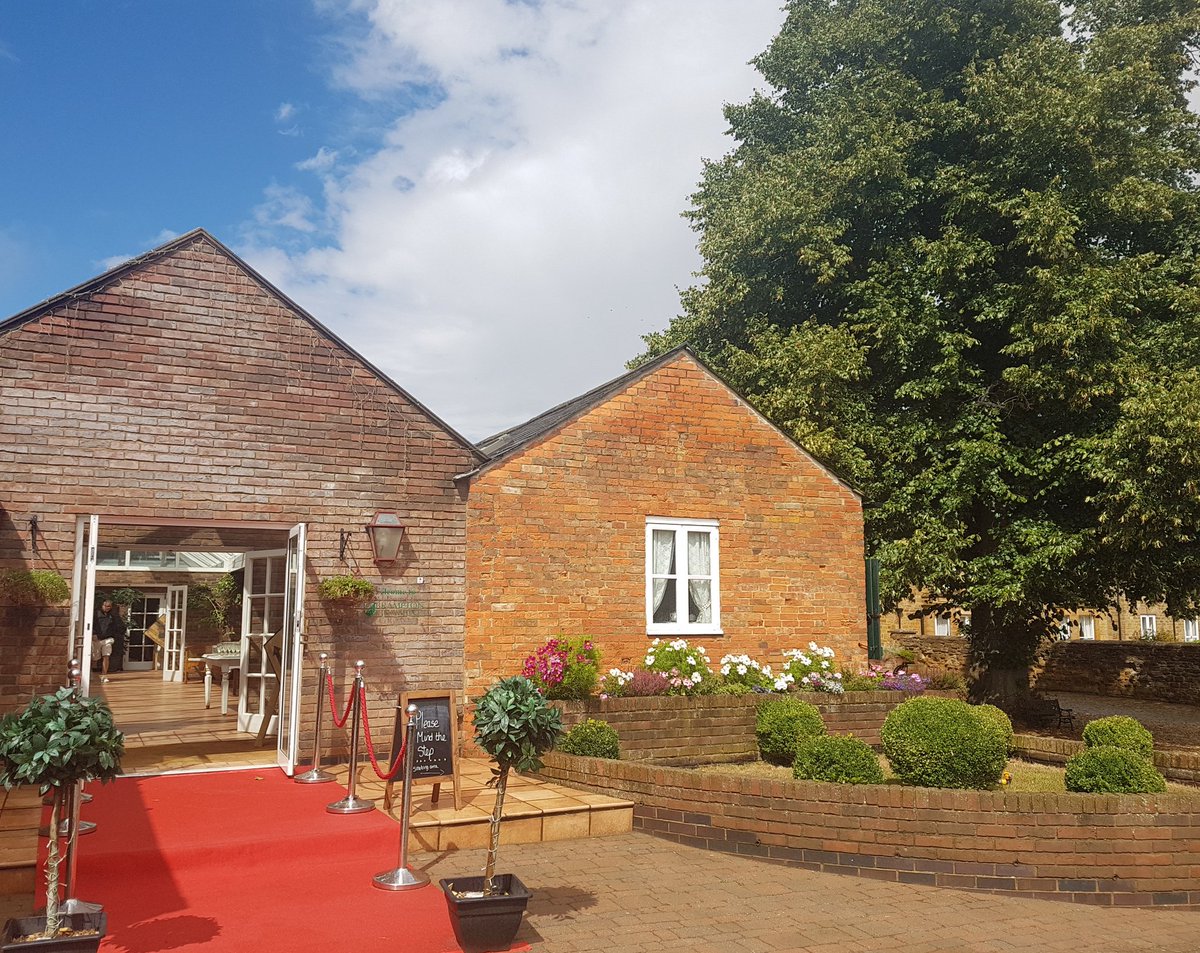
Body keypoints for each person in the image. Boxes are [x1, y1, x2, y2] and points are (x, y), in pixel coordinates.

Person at [93, 599, 126, 680]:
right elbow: (91, 624)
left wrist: (115, 634)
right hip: (97, 639)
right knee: (94, 657)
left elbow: (119, 625)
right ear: (102, 606)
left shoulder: (113, 615)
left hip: (108, 638)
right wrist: (93, 634)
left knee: (106, 656)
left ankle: (104, 675)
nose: (108, 608)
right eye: (106, 606)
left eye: (109, 606)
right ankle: (91, 673)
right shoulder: (96, 613)